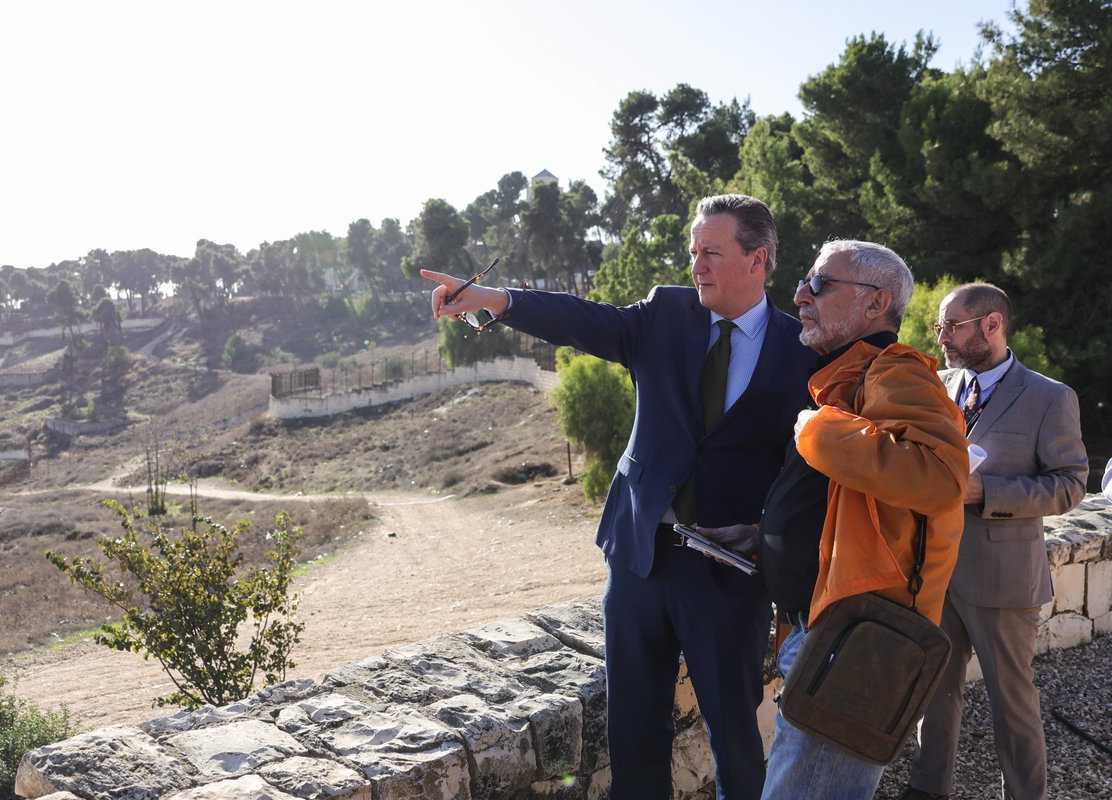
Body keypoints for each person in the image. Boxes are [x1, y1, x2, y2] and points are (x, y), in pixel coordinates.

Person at [423, 194, 817, 799]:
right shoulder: (664, 314)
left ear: (757, 258)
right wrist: (491, 302)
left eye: (712, 252)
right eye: (693, 252)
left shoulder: (802, 352)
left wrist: (775, 546)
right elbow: (583, 319)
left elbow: (813, 471)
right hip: (639, 559)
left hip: (730, 576)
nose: (697, 265)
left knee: (735, 736)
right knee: (632, 730)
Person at [709, 240, 970, 799]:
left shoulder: (898, 371)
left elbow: (940, 477)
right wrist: (767, 538)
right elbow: (852, 507)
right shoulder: (850, 381)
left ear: (876, 304)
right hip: (829, 632)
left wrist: (816, 429)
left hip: (857, 642)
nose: (800, 294)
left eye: (820, 284)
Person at [902, 283, 1088, 800]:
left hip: (1003, 578)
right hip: (934, 568)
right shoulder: (936, 386)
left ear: (992, 325)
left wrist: (990, 491)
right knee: (933, 691)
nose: (942, 337)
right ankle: (927, 788)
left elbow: (1071, 484)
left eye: (952, 326)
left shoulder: (1052, 397)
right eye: (940, 327)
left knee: (1012, 700)